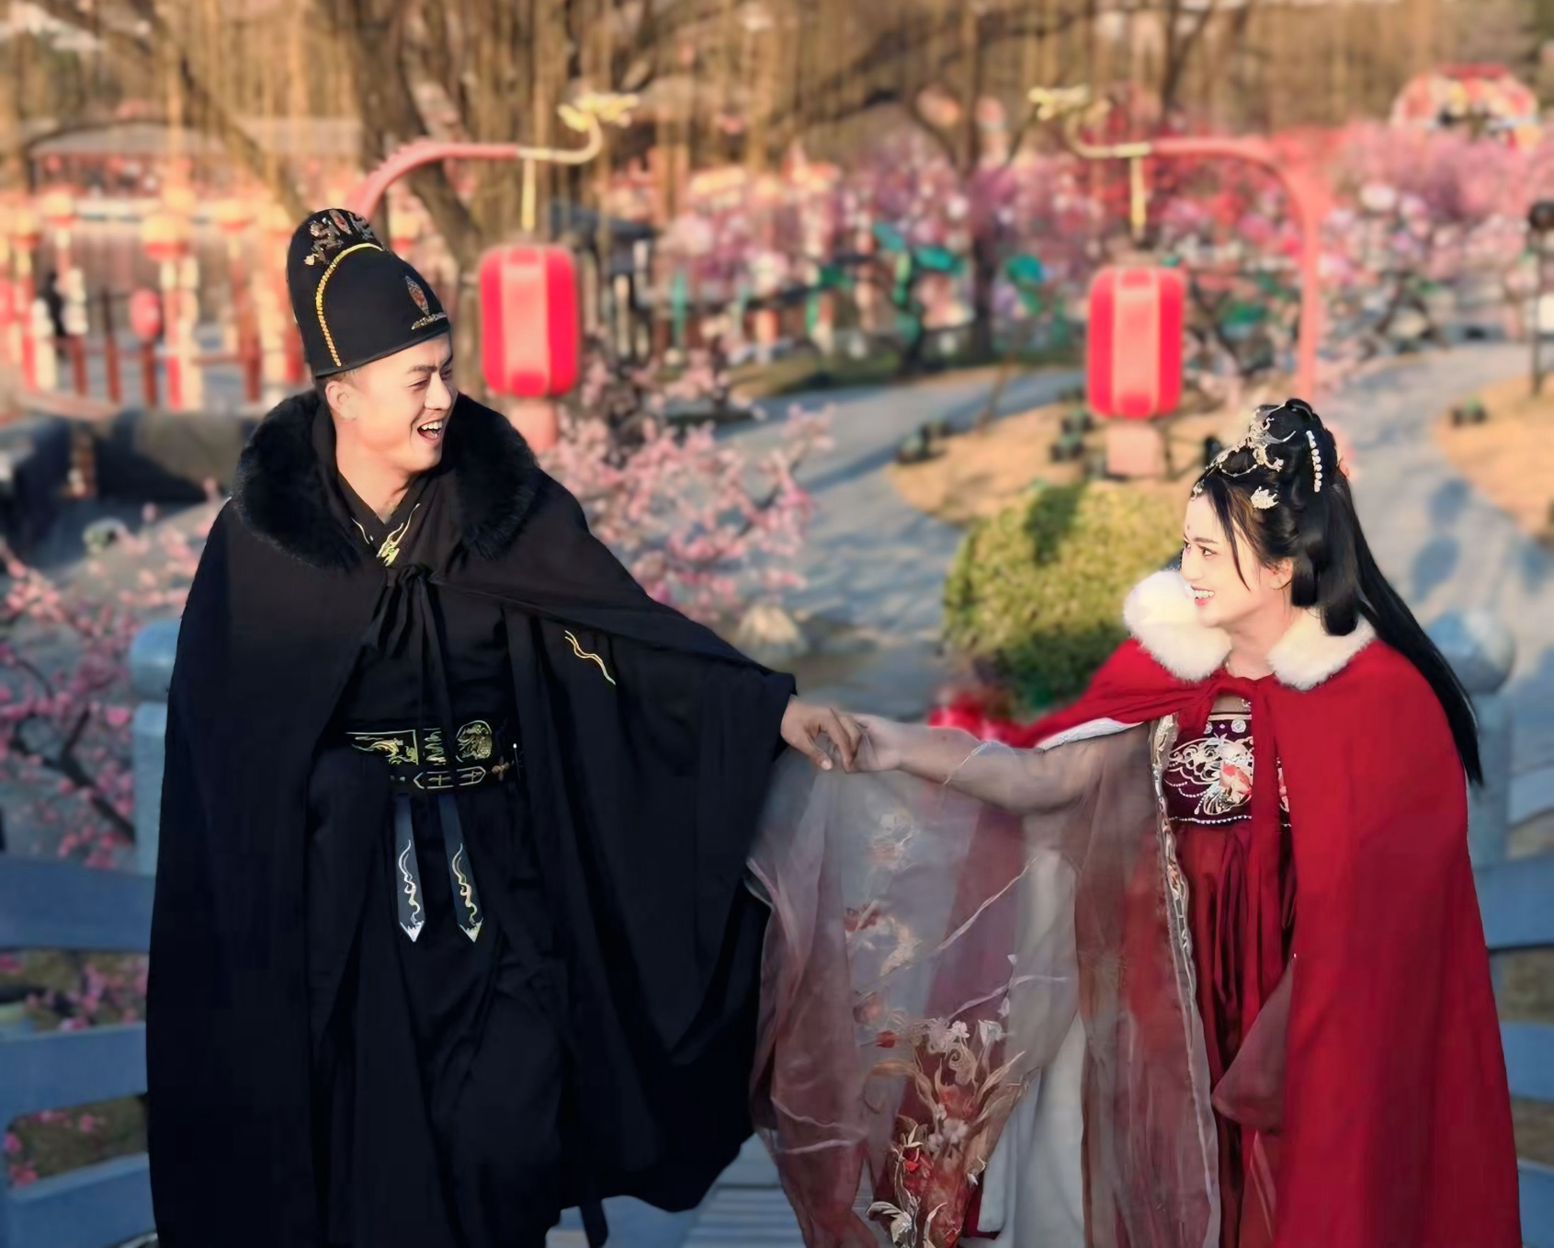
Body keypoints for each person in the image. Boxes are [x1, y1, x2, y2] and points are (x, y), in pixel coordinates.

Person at [147, 206, 861, 1248]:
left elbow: (624, 635)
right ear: (343, 395)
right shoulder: (264, 545)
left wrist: (767, 711)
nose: (444, 398)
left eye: (447, 369)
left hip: (501, 886)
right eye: (417, 379)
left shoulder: (502, 507)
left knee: (506, 1140)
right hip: (344, 915)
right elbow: (226, 763)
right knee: (379, 1175)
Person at [749, 399, 1520, 1248]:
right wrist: (894, 746)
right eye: (1186, 545)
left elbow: (1394, 913)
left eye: (1208, 551)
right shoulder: (1167, 669)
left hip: (1308, 1012)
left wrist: (1293, 1027)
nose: (1187, 569)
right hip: (1172, 1005)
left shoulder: (1381, 700)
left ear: (1278, 567)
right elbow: (1047, 778)